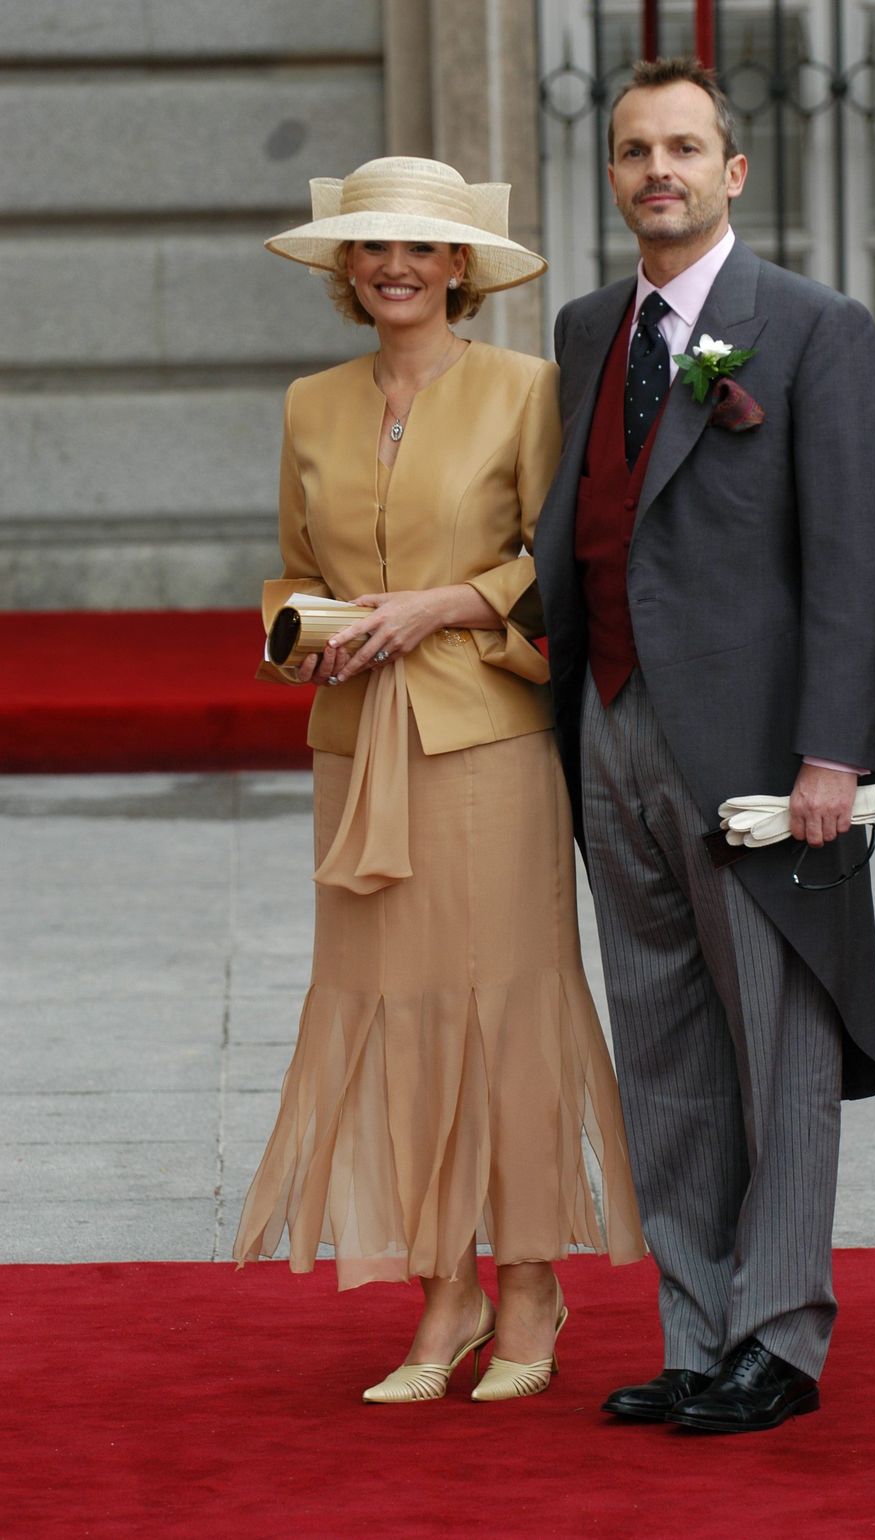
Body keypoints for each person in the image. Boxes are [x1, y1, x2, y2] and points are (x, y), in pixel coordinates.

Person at [232, 156, 645, 1405]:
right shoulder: (310, 402)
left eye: (421, 247)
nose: (396, 266)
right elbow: (290, 571)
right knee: (394, 1017)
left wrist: (443, 604)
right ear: (347, 270)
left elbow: (556, 561)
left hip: (488, 742)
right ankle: (444, 1290)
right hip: (360, 747)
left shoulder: (527, 387)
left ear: (461, 266)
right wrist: (307, 636)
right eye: (373, 249)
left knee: (501, 1009)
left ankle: (528, 1285)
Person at [533, 58, 875, 1433]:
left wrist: (835, 757)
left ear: (733, 171)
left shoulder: (813, 329)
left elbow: (856, 563)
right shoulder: (586, 331)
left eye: (685, 148)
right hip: (610, 733)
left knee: (783, 1048)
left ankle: (782, 1343)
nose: (659, 171)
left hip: (761, 759)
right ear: (615, 173)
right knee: (665, 1052)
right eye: (636, 151)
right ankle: (697, 1335)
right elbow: (576, 541)